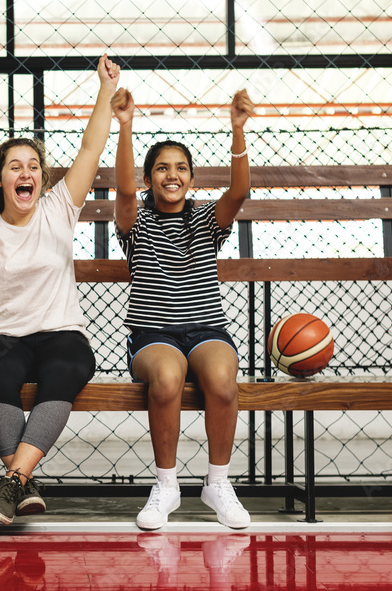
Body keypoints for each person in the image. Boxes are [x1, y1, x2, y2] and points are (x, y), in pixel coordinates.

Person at [0, 53, 120, 525]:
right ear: (0, 179)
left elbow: (91, 147)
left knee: (70, 365)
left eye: (33, 166)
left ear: (42, 179)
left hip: (59, 332)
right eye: (13, 167)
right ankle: (23, 480)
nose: (25, 173)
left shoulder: (58, 207)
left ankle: (13, 480)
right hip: (5, 335)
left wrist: (105, 91)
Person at [111, 86, 255, 530]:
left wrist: (237, 130)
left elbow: (240, 191)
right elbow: (123, 190)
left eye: (180, 168)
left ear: (191, 178)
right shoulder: (138, 221)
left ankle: (217, 482)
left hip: (205, 329)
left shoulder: (205, 219)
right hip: (153, 334)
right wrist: (126, 125)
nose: (171, 175)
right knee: (168, 377)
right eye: (160, 168)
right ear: (150, 177)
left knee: (222, 380)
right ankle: (167, 484)